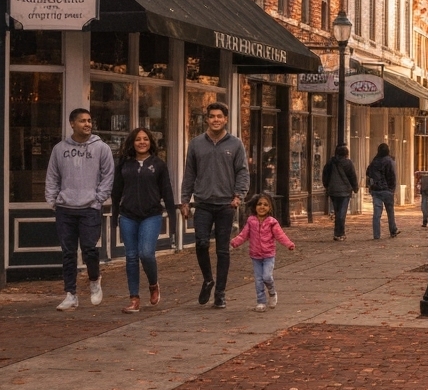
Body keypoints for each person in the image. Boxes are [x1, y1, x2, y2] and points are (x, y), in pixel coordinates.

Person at [180, 102, 249, 310]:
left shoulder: (235, 144)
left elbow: (243, 172)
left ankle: (220, 293)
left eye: (220, 116)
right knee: (201, 243)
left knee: (222, 251)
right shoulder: (196, 144)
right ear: (207, 119)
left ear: (226, 119)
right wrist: (185, 200)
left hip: (225, 204)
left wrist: (238, 196)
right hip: (202, 203)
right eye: (212, 116)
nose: (216, 120)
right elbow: (190, 173)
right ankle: (208, 279)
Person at [46, 108, 114, 311]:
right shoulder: (59, 149)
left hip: (89, 208)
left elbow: (108, 176)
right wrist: (53, 200)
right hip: (65, 208)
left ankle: (94, 280)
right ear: (72, 124)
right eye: (83, 121)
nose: (87, 124)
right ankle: (71, 294)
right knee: (67, 252)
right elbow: (52, 176)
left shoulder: (101, 148)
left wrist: (97, 199)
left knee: (89, 249)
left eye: (89, 121)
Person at [111, 127, 177, 313]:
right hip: (128, 216)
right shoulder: (124, 164)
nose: (142, 142)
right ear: (132, 142)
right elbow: (116, 193)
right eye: (138, 139)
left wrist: (172, 218)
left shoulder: (158, 165)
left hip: (151, 215)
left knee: (146, 253)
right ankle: (134, 299)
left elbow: (167, 192)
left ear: (150, 142)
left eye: (145, 139)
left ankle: (153, 284)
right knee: (131, 257)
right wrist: (115, 216)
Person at [231, 193, 295, 312]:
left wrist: (289, 244)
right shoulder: (251, 221)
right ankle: (261, 301)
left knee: (267, 277)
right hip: (255, 256)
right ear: (255, 206)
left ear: (270, 207)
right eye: (259, 204)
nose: (262, 207)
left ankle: (272, 292)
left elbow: (280, 235)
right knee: (258, 279)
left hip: (268, 255)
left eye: (265, 205)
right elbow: (244, 235)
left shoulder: (272, 222)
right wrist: (234, 242)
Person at [322, 145, 358, 241]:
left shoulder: (330, 163)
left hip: (333, 190)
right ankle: (340, 233)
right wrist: (355, 188)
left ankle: (337, 232)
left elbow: (325, 175)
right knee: (342, 213)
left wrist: (327, 186)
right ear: (346, 153)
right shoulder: (348, 163)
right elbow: (352, 176)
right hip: (345, 191)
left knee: (338, 212)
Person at [367, 143, 399, 239]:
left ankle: (376, 234)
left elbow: (368, 172)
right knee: (390, 211)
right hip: (387, 190)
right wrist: (392, 188)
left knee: (377, 213)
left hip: (376, 190)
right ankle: (393, 230)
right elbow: (392, 176)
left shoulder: (375, 161)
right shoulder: (389, 161)